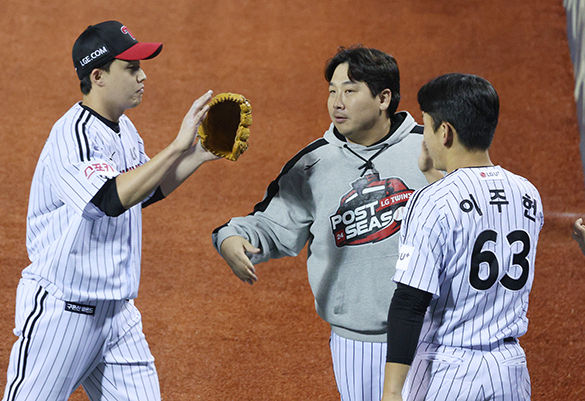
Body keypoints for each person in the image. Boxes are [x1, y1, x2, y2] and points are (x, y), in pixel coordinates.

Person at [2, 20, 220, 401]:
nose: (143, 75)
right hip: (63, 315)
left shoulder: (123, 129)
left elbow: (143, 192)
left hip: (118, 316)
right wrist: (174, 147)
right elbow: (106, 200)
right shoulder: (75, 134)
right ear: (98, 75)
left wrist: (200, 153)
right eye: (132, 67)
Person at [211, 45, 440, 401]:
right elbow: (271, 225)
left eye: (349, 91)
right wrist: (230, 237)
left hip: (432, 334)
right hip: (356, 343)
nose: (337, 102)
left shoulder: (430, 148)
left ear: (383, 98)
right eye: (332, 90)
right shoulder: (312, 165)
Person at [381, 73, 544, 401]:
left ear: (445, 132)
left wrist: (392, 391)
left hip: (451, 372)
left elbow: (410, 302)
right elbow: (476, 214)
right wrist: (434, 175)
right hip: (509, 371)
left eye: (425, 126)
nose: (423, 137)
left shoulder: (431, 201)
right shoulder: (528, 195)